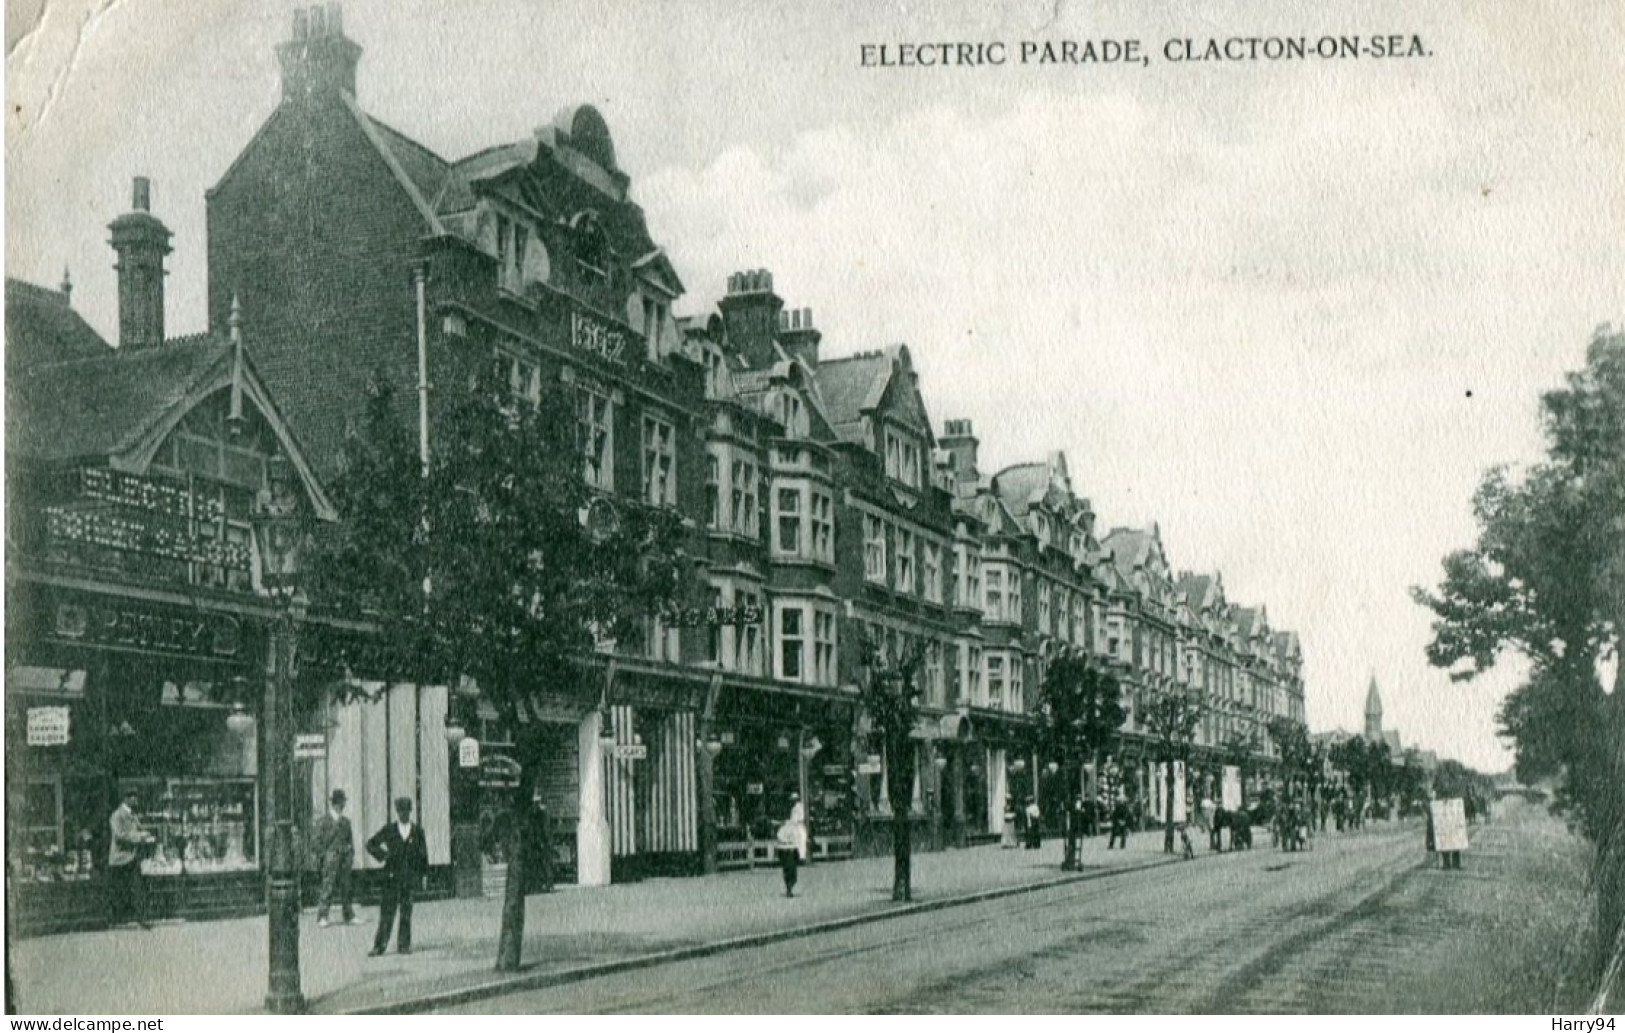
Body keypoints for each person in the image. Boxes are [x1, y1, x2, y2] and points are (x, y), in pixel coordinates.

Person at [367, 797, 428, 956]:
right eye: (401, 811)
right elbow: (371, 844)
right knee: (387, 912)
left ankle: (404, 945)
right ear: (397, 812)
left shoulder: (418, 831)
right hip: (391, 877)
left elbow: (423, 856)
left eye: (406, 811)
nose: (403, 814)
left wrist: (423, 875)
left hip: (409, 877)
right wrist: (383, 855)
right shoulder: (390, 830)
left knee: (406, 912)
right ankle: (379, 946)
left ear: (410, 811)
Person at [107, 789, 154, 929]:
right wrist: (140, 837)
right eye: (134, 797)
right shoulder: (117, 815)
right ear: (127, 798)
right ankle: (115, 920)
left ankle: (141, 919)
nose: (137, 800)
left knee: (137, 888)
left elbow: (138, 829)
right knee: (120, 890)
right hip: (120, 859)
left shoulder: (133, 815)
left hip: (132, 858)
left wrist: (147, 835)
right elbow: (120, 835)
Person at [313, 789, 357, 927]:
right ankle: (322, 916)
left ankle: (349, 915)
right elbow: (315, 842)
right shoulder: (323, 822)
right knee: (328, 887)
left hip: (344, 860)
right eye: (341, 802)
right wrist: (325, 857)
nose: (343, 805)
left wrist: (350, 855)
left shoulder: (346, 822)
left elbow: (350, 842)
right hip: (330, 860)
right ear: (336, 804)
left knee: (347, 887)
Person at [775, 794, 806, 897]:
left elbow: (795, 822)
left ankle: (789, 887)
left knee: (790, 870)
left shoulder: (798, 809)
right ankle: (789, 888)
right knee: (789, 870)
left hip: (792, 845)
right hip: (787, 847)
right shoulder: (792, 812)